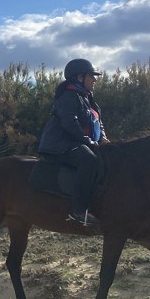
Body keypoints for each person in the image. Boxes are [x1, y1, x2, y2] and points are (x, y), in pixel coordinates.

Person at [38, 58, 109, 227]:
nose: (95, 80)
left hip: (78, 142)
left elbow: (98, 122)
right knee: (89, 160)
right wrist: (89, 141)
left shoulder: (88, 98)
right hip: (60, 144)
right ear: (79, 78)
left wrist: (103, 138)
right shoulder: (69, 96)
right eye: (92, 76)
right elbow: (69, 123)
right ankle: (78, 210)